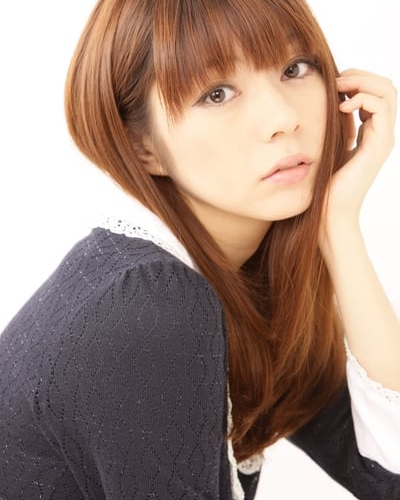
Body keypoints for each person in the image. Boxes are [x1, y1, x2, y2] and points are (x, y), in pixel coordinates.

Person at [0, 0, 399, 498]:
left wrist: (338, 224)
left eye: (295, 68)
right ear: (143, 146)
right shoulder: (146, 305)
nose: (282, 118)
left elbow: (388, 476)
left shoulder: (246, 277)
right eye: (216, 94)